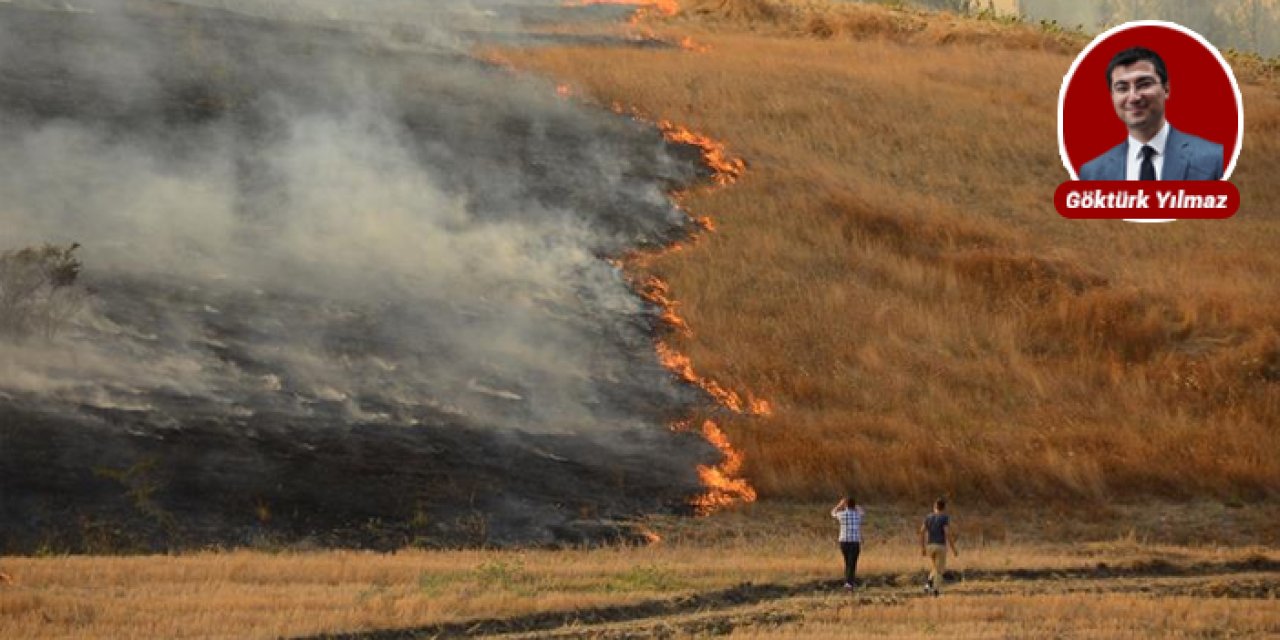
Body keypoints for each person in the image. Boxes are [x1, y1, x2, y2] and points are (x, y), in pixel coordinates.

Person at [1078, 46, 1223, 181]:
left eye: (1144, 84)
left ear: (1166, 89)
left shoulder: (1215, 160)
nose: (1134, 97)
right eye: (1122, 88)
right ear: (1112, 96)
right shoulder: (1092, 174)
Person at [918, 497, 958, 596]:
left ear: (934, 507)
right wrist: (954, 548)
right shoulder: (944, 518)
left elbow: (922, 532)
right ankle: (936, 590)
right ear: (944, 508)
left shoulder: (928, 517)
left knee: (935, 568)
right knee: (940, 571)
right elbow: (947, 533)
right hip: (940, 546)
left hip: (930, 546)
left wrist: (922, 547)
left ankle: (928, 585)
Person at [831, 495, 864, 589]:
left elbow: (833, 513)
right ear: (854, 506)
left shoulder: (842, 515)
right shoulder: (857, 515)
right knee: (852, 563)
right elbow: (862, 512)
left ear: (845, 505)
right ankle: (849, 583)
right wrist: (855, 505)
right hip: (854, 542)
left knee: (847, 562)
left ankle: (848, 582)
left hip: (844, 542)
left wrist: (840, 504)